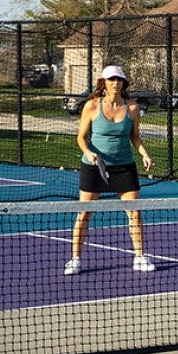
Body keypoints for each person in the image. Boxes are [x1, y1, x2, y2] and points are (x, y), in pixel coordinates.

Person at [65, 65, 156, 275]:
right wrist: (88, 152)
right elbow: (81, 137)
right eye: (111, 79)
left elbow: (134, 137)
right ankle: (75, 259)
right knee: (84, 213)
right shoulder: (91, 106)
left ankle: (140, 257)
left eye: (119, 79)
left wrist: (144, 153)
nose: (116, 83)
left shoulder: (132, 108)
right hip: (94, 167)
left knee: (134, 213)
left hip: (124, 167)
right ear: (103, 83)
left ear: (123, 83)